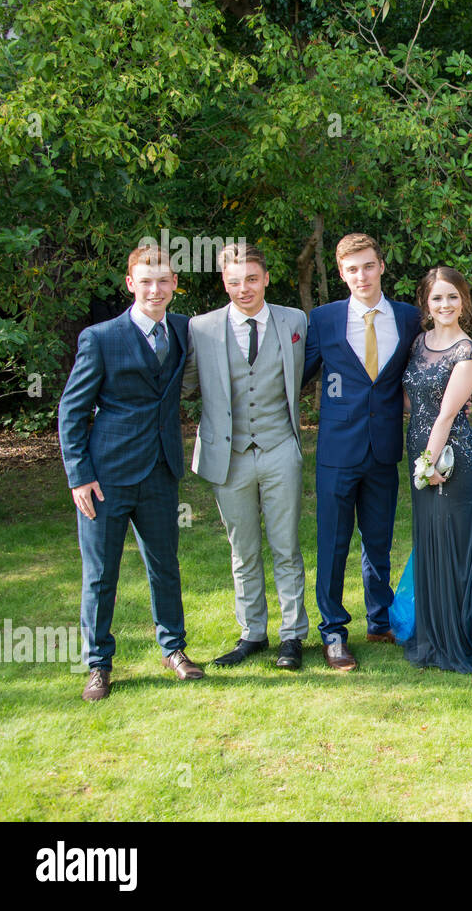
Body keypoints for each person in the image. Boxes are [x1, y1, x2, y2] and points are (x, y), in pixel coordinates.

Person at [58, 242, 202, 701]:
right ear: (130, 284)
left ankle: (173, 648)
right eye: (146, 281)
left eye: (163, 281)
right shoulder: (99, 338)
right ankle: (98, 664)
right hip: (106, 476)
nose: (155, 289)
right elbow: (71, 411)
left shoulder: (182, 330)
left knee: (165, 566)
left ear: (175, 284)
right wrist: (79, 475)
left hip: (161, 471)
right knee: (101, 575)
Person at [181, 243, 309, 670]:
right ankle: (252, 632)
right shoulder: (200, 328)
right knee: (243, 549)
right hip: (228, 454)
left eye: (251, 279)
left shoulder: (294, 321)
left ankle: (292, 636)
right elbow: (183, 387)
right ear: (224, 282)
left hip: (279, 448)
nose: (243, 289)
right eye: (234, 281)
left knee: (286, 546)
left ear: (266, 278)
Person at [303, 233, 421, 671]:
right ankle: (333, 630)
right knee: (333, 544)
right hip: (336, 452)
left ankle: (379, 618)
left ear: (381, 266)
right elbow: (298, 376)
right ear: (341, 274)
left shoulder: (408, 318)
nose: (361, 276)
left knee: (379, 542)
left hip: (384, 451)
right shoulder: (325, 319)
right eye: (352, 269)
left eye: (368, 266)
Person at [389, 267, 472, 673]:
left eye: (453, 297)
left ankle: (456, 639)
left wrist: (428, 464)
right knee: (429, 543)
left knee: (454, 544)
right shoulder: (418, 344)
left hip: (450, 459)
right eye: (437, 298)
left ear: (463, 301)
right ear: (426, 303)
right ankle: (430, 634)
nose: (445, 305)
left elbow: (446, 416)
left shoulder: (467, 351)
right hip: (421, 454)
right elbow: (415, 401)